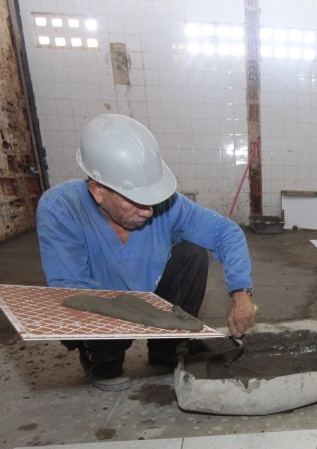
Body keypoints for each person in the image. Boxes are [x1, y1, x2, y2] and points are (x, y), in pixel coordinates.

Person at [36, 114, 256, 388]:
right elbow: (69, 290)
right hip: (104, 305)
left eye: (152, 199)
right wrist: (124, 322)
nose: (149, 211)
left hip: (151, 301)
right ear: (98, 191)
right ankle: (103, 361)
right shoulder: (60, 210)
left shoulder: (166, 205)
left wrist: (241, 293)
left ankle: (166, 349)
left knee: (192, 254)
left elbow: (226, 232)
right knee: (79, 300)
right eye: (136, 201)